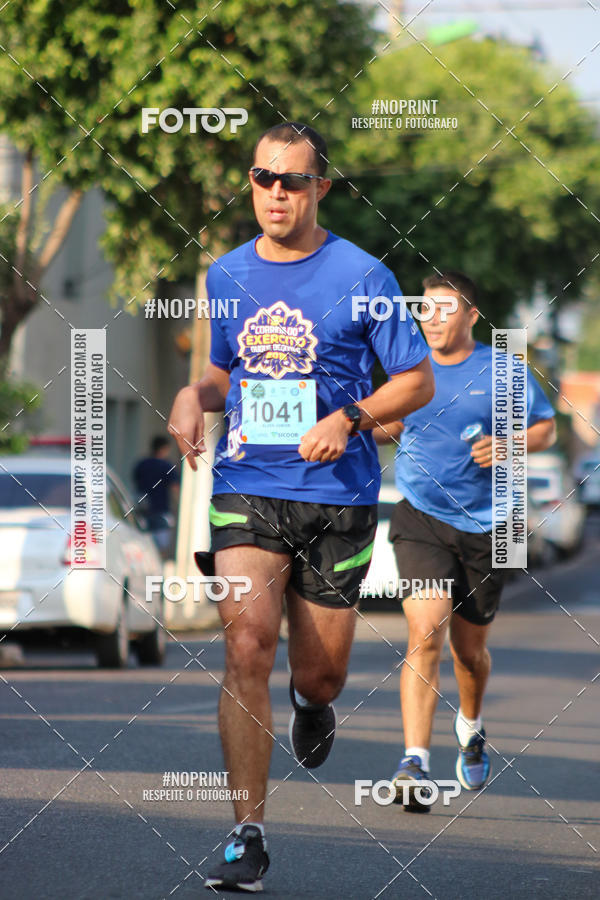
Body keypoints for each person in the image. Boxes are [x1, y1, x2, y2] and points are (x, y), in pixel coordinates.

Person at [167, 122, 434, 892]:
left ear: (321, 187)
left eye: (291, 181)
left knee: (319, 676)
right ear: (250, 183)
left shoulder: (365, 275)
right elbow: (220, 373)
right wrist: (191, 395)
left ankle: (310, 705)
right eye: (262, 178)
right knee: (246, 643)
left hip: (337, 495)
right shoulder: (224, 273)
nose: (275, 194)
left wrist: (348, 418)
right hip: (248, 483)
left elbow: (414, 381)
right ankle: (245, 834)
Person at [375, 271, 556, 811]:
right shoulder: (408, 368)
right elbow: (379, 423)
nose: (432, 319)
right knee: (425, 630)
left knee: (469, 651)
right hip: (421, 517)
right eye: (424, 309)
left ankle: (472, 726)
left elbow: (545, 428)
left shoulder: (503, 369)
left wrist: (510, 444)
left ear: (472, 315)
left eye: (445, 309)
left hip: (490, 524)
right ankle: (414, 762)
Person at [132, 435, 180, 556]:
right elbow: (174, 488)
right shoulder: (167, 466)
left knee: (142, 544)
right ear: (164, 449)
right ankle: (157, 571)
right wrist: (175, 504)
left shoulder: (142, 464)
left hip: (142, 509)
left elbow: (135, 482)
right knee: (160, 547)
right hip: (161, 509)